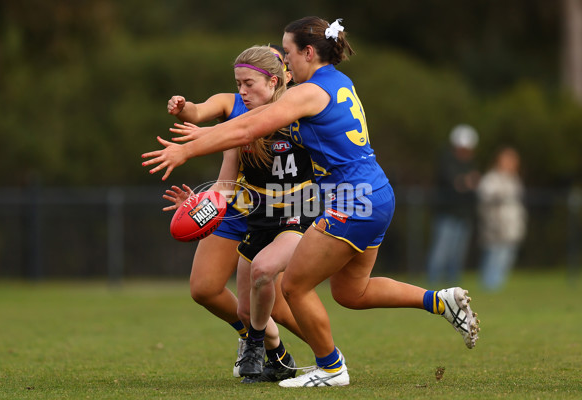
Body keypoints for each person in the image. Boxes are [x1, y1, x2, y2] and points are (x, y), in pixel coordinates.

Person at [142, 16, 480, 388]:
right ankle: (440, 301)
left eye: (287, 53)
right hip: (374, 192)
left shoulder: (307, 92)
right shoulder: (338, 82)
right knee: (352, 292)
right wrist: (204, 133)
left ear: (307, 52)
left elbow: (247, 127)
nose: (284, 62)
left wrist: (186, 151)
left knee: (293, 286)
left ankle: (331, 368)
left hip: (351, 198)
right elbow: (249, 127)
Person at [163, 45, 304, 379]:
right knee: (204, 288)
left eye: (249, 82)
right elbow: (200, 120)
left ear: (276, 79)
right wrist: (199, 205)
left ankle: (328, 356)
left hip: (287, 213)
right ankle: (257, 342)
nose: (242, 89)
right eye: (239, 81)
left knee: (277, 305)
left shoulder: (299, 112)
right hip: (239, 208)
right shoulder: (233, 105)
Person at [426, 124, 480, 285]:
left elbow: (471, 183)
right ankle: (432, 284)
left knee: (457, 254)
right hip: (447, 214)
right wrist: (466, 182)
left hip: (464, 215)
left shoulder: (470, 163)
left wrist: (466, 182)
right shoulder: (447, 161)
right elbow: (455, 183)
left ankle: (453, 286)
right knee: (441, 252)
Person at [477, 147, 526, 291]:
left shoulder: (514, 180)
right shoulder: (491, 179)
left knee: (505, 260)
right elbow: (486, 198)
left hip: (512, 228)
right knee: (493, 258)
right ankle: (488, 289)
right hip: (496, 227)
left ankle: (497, 289)